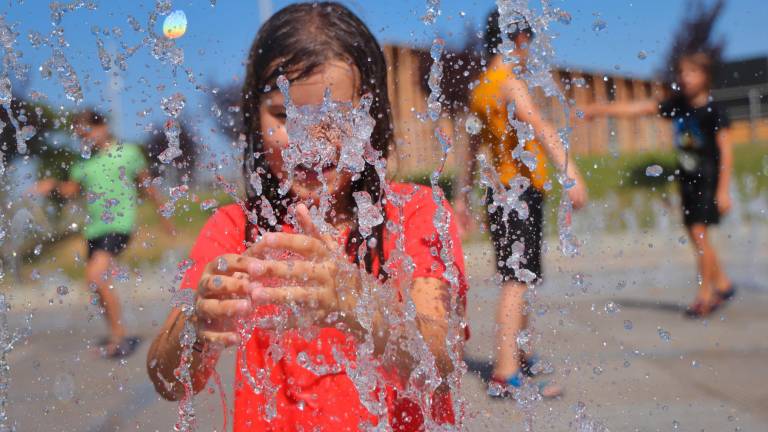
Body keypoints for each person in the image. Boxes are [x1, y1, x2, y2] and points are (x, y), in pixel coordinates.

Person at [146, 3, 468, 431]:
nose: (308, 141)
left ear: (370, 118)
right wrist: (195, 327)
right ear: (252, 116)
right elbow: (169, 381)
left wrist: (360, 305)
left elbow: (441, 368)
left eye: (335, 117)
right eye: (282, 116)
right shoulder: (236, 229)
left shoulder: (415, 214)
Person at [453, 11, 588, 398]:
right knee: (516, 283)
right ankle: (505, 372)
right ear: (519, 39)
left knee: (521, 279)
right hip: (520, 194)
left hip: (500, 196)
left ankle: (522, 356)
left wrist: (463, 197)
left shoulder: (483, 88)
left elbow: (472, 149)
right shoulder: (511, 83)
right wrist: (571, 173)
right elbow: (542, 128)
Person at [581, 51, 734, 318]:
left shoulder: (714, 112)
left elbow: (727, 153)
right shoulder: (679, 105)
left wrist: (723, 191)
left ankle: (705, 295)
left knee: (699, 236)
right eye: (682, 73)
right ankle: (723, 283)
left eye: (692, 72)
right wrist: (598, 109)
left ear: (705, 76)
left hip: (707, 183)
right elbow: (640, 108)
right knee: (698, 237)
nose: (685, 78)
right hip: (687, 181)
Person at [33, 109, 172, 358]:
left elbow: (148, 186)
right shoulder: (82, 162)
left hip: (119, 225)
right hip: (94, 229)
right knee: (95, 284)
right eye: (79, 136)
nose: (84, 139)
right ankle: (116, 332)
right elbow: (70, 190)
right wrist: (52, 185)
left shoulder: (128, 153)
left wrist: (164, 216)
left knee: (96, 277)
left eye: (87, 132)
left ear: (103, 126)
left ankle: (119, 338)